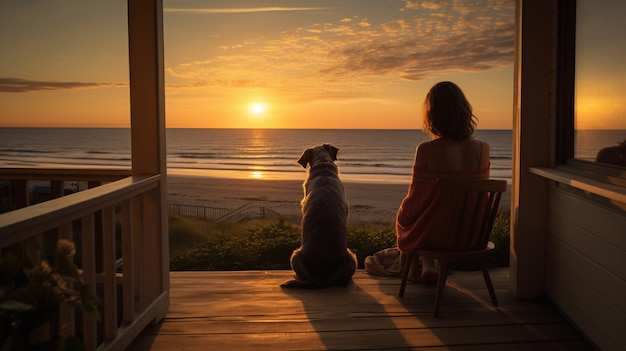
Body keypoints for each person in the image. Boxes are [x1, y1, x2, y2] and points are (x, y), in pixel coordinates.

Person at [395, 81, 490, 283]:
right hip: (471, 237)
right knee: (438, 216)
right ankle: (429, 265)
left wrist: (404, 215)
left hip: (436, 236)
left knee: (407, 218)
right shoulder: (483, 149)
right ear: (464, 111)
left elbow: (417, 200)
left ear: (432, 115)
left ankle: (420, 266)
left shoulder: (426, 150)